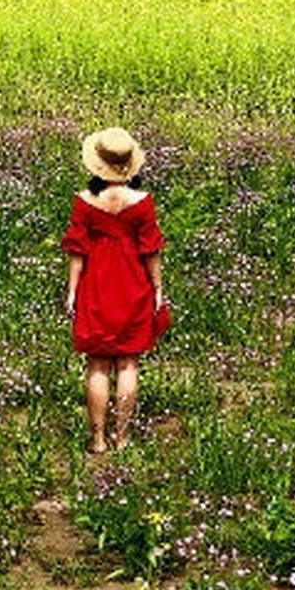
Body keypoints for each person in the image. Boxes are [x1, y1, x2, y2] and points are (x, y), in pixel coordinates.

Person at [61, 126, 170, 453]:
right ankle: (122, 437)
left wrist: (72, 291)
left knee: (97, 365)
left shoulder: (85, 202)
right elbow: (151, 251)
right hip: (132, 285)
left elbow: (77, 251)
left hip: (97, 286)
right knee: (128, 364)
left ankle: (97, 439)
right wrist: (157, 289)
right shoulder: (142, 202)